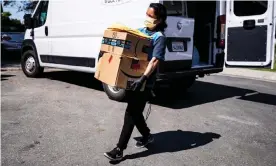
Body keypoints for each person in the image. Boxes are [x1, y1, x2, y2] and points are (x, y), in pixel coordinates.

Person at [104, 3, 167, 161]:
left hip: (145, 81)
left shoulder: (159, 38)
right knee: (136, 111)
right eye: (146, 14)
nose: (147, 18)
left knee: (131, 112)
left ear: (159, 20)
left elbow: (154, 61)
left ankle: (119, 149)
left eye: (151, 16)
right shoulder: (140, 32)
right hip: (133, 77)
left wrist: (143, 78)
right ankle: (147, 136)